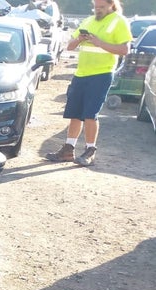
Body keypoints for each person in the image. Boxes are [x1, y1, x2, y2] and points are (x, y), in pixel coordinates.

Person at [45, 0, 131, 166]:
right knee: (75, 113)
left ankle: (90, 150)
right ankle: (68, 149)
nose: (98, 10)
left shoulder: (119, 21)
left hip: (101, 74)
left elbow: (124, 50)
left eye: (102, 7)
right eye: (96, 7)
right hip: (81, 74)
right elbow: (70, 47)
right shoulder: (88, 20)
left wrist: (100, 43)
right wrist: (79, 39)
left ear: (111, 5)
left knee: (90, 114)